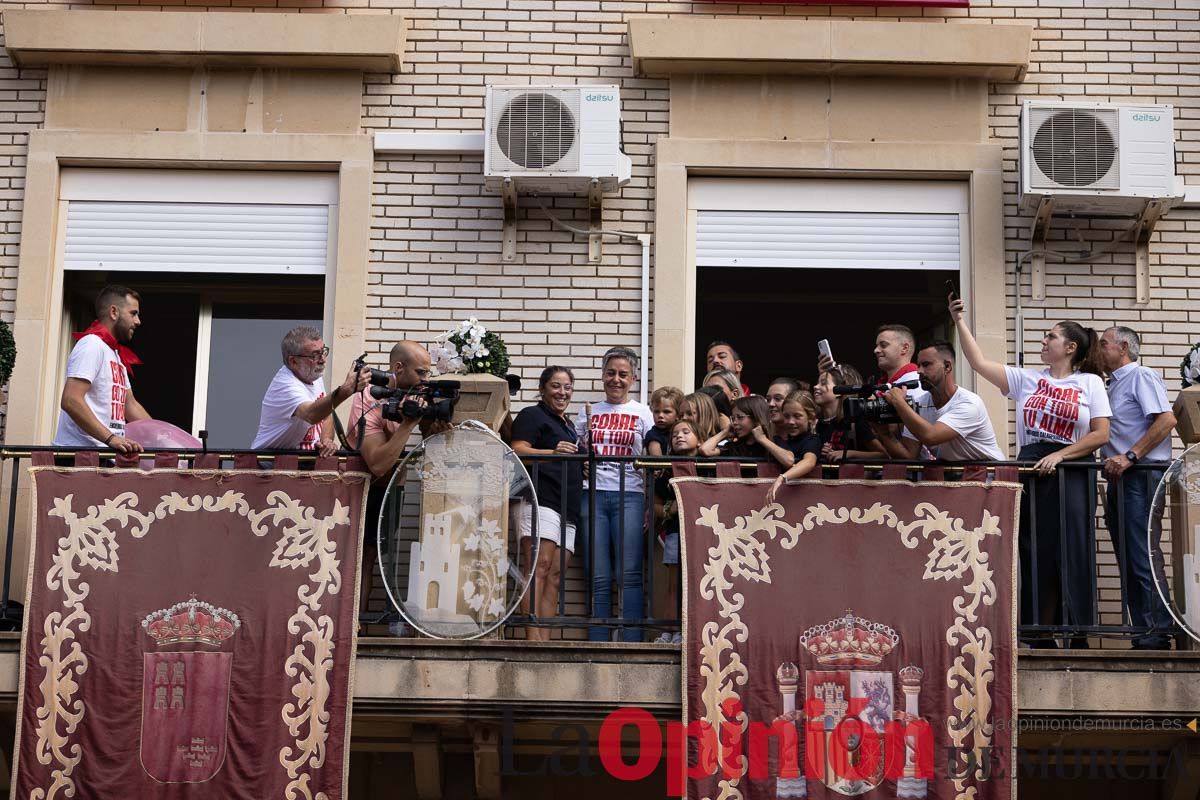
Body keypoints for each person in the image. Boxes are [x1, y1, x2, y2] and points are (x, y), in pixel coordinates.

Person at [952, 296, 1110, 647]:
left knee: (1071, 549)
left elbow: (1101, 434)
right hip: (1032, 468)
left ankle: (1077, 632)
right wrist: (958, 320)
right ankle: (1039, 631)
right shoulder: (1027, 378)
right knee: (1035, 549)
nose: (1043, 341)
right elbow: (977, 362)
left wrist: (1063, 456)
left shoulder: (1090, 383)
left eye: (1049, 337)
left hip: (1072, 470)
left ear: (1069, 347)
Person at [1099, 326, 1177, 649]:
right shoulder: (1112, 385)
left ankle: (1157, 631)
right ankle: (1143, 631)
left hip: (1141, 476)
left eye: (1104, 344)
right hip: (1122, 479)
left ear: (1123, 349)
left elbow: (1166, 421)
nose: (1099, 349)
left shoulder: (1140, 376)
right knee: (1129, 556)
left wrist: (1130, 456)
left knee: (1141, 552)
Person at [576, 346, 655, 642]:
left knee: (630, 574)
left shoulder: (643, 413)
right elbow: (578, 450)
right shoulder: (588, 412)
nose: (616, 379)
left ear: (633, 378)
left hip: (631, 496)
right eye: (611, 373)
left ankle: (632, 639)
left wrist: (650, 499)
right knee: (598, 575)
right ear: (602, 376)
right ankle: (598, 640)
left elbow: (653, 452)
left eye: (623, 374)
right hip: (592, 495)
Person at [512, 366, 582, 642]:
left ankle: (546, 639)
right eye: (555, 386)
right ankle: (532, 639)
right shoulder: (532, 415)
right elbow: (517, 449)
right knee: (538, 568)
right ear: (542, 389)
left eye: (567, 387)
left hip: (568, 507)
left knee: (555, 575)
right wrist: (552, 452)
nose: (562, 392)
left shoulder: (569, 425)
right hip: (540, 499)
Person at [54, 285, 152, 454]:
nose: (138, 321)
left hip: (100, 455)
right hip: (79, 458)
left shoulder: (114, 353)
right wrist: (111, 438)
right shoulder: (92, 345)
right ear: (114, 312)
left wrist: (164, 437)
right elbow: (70, 399)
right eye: (133, 313)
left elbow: (130, 405)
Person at [872, 342, 1005, 463]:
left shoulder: (969, 403)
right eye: (918, 365)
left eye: (926, 364)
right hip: (955, 479)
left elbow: (931, 436)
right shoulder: (920, 403)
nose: (919, 371)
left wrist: (899, 403)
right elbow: (908, 455)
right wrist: (885, 434)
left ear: (947, 367)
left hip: (989, 479)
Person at [252, 326, 369, 457]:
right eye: (315, 355)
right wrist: (346, 390)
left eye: (323, 351)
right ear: (293, 361)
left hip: (300, 461)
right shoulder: (286, 385)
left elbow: (326, 412)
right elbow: (311, 414)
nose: (323, 359)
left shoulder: (311, 373)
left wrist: (326, 440)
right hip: (268, 462)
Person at [652, 418, 701, 644]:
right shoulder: (666, 471)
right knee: (673, 582)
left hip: (700, 534)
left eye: (686, 432)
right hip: (674, 531)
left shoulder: (706, 466)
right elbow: (656, 506)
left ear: (700, 438)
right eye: (675, 434)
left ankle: (687, 630)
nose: (679, 436)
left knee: (693, 582)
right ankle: (668, 630)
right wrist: (671, 509)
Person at [813, 365, 887, 464]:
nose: (815, 386)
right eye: (817, 383)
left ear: (840, 390)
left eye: (823, 383)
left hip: (853, 477)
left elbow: (883, 455)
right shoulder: (817, 424)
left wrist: (849, 454)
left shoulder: (856, 422)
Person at [700, 395, 794, 468]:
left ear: (756, 418)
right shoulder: (734, 447)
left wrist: (763, 439)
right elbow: (705, 450)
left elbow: (789, 461)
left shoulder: (774, 441)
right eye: (733, 418)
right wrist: (724, 433)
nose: (735, 423)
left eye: (740, 417)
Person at [767, 391, 823, 503]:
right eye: (787, 416)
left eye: (797, 416)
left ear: (811, 418)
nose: (791, 422)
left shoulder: (812, 440)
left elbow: (809, 462)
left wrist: (782, 478)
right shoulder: (781, 441)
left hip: (808, 499)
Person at [645, 386, 684, 456]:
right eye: (656, 411)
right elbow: (657, 462)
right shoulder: (653, 435)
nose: (660, 415)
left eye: (666, 412)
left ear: (678, 414)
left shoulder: (684, 431)